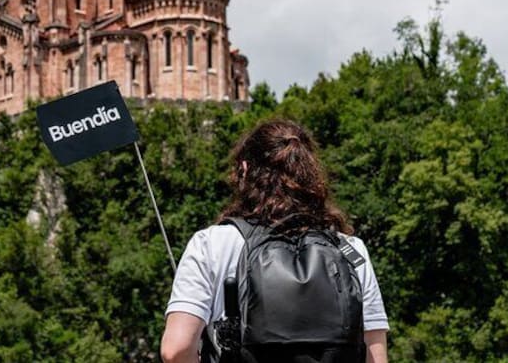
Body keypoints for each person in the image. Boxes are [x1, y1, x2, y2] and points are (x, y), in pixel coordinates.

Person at [161, 118, 389, 363]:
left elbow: (176, 350)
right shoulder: (350, 249)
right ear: (311, 174)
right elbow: (375, 357)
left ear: (244, 170)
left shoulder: (212, 244)